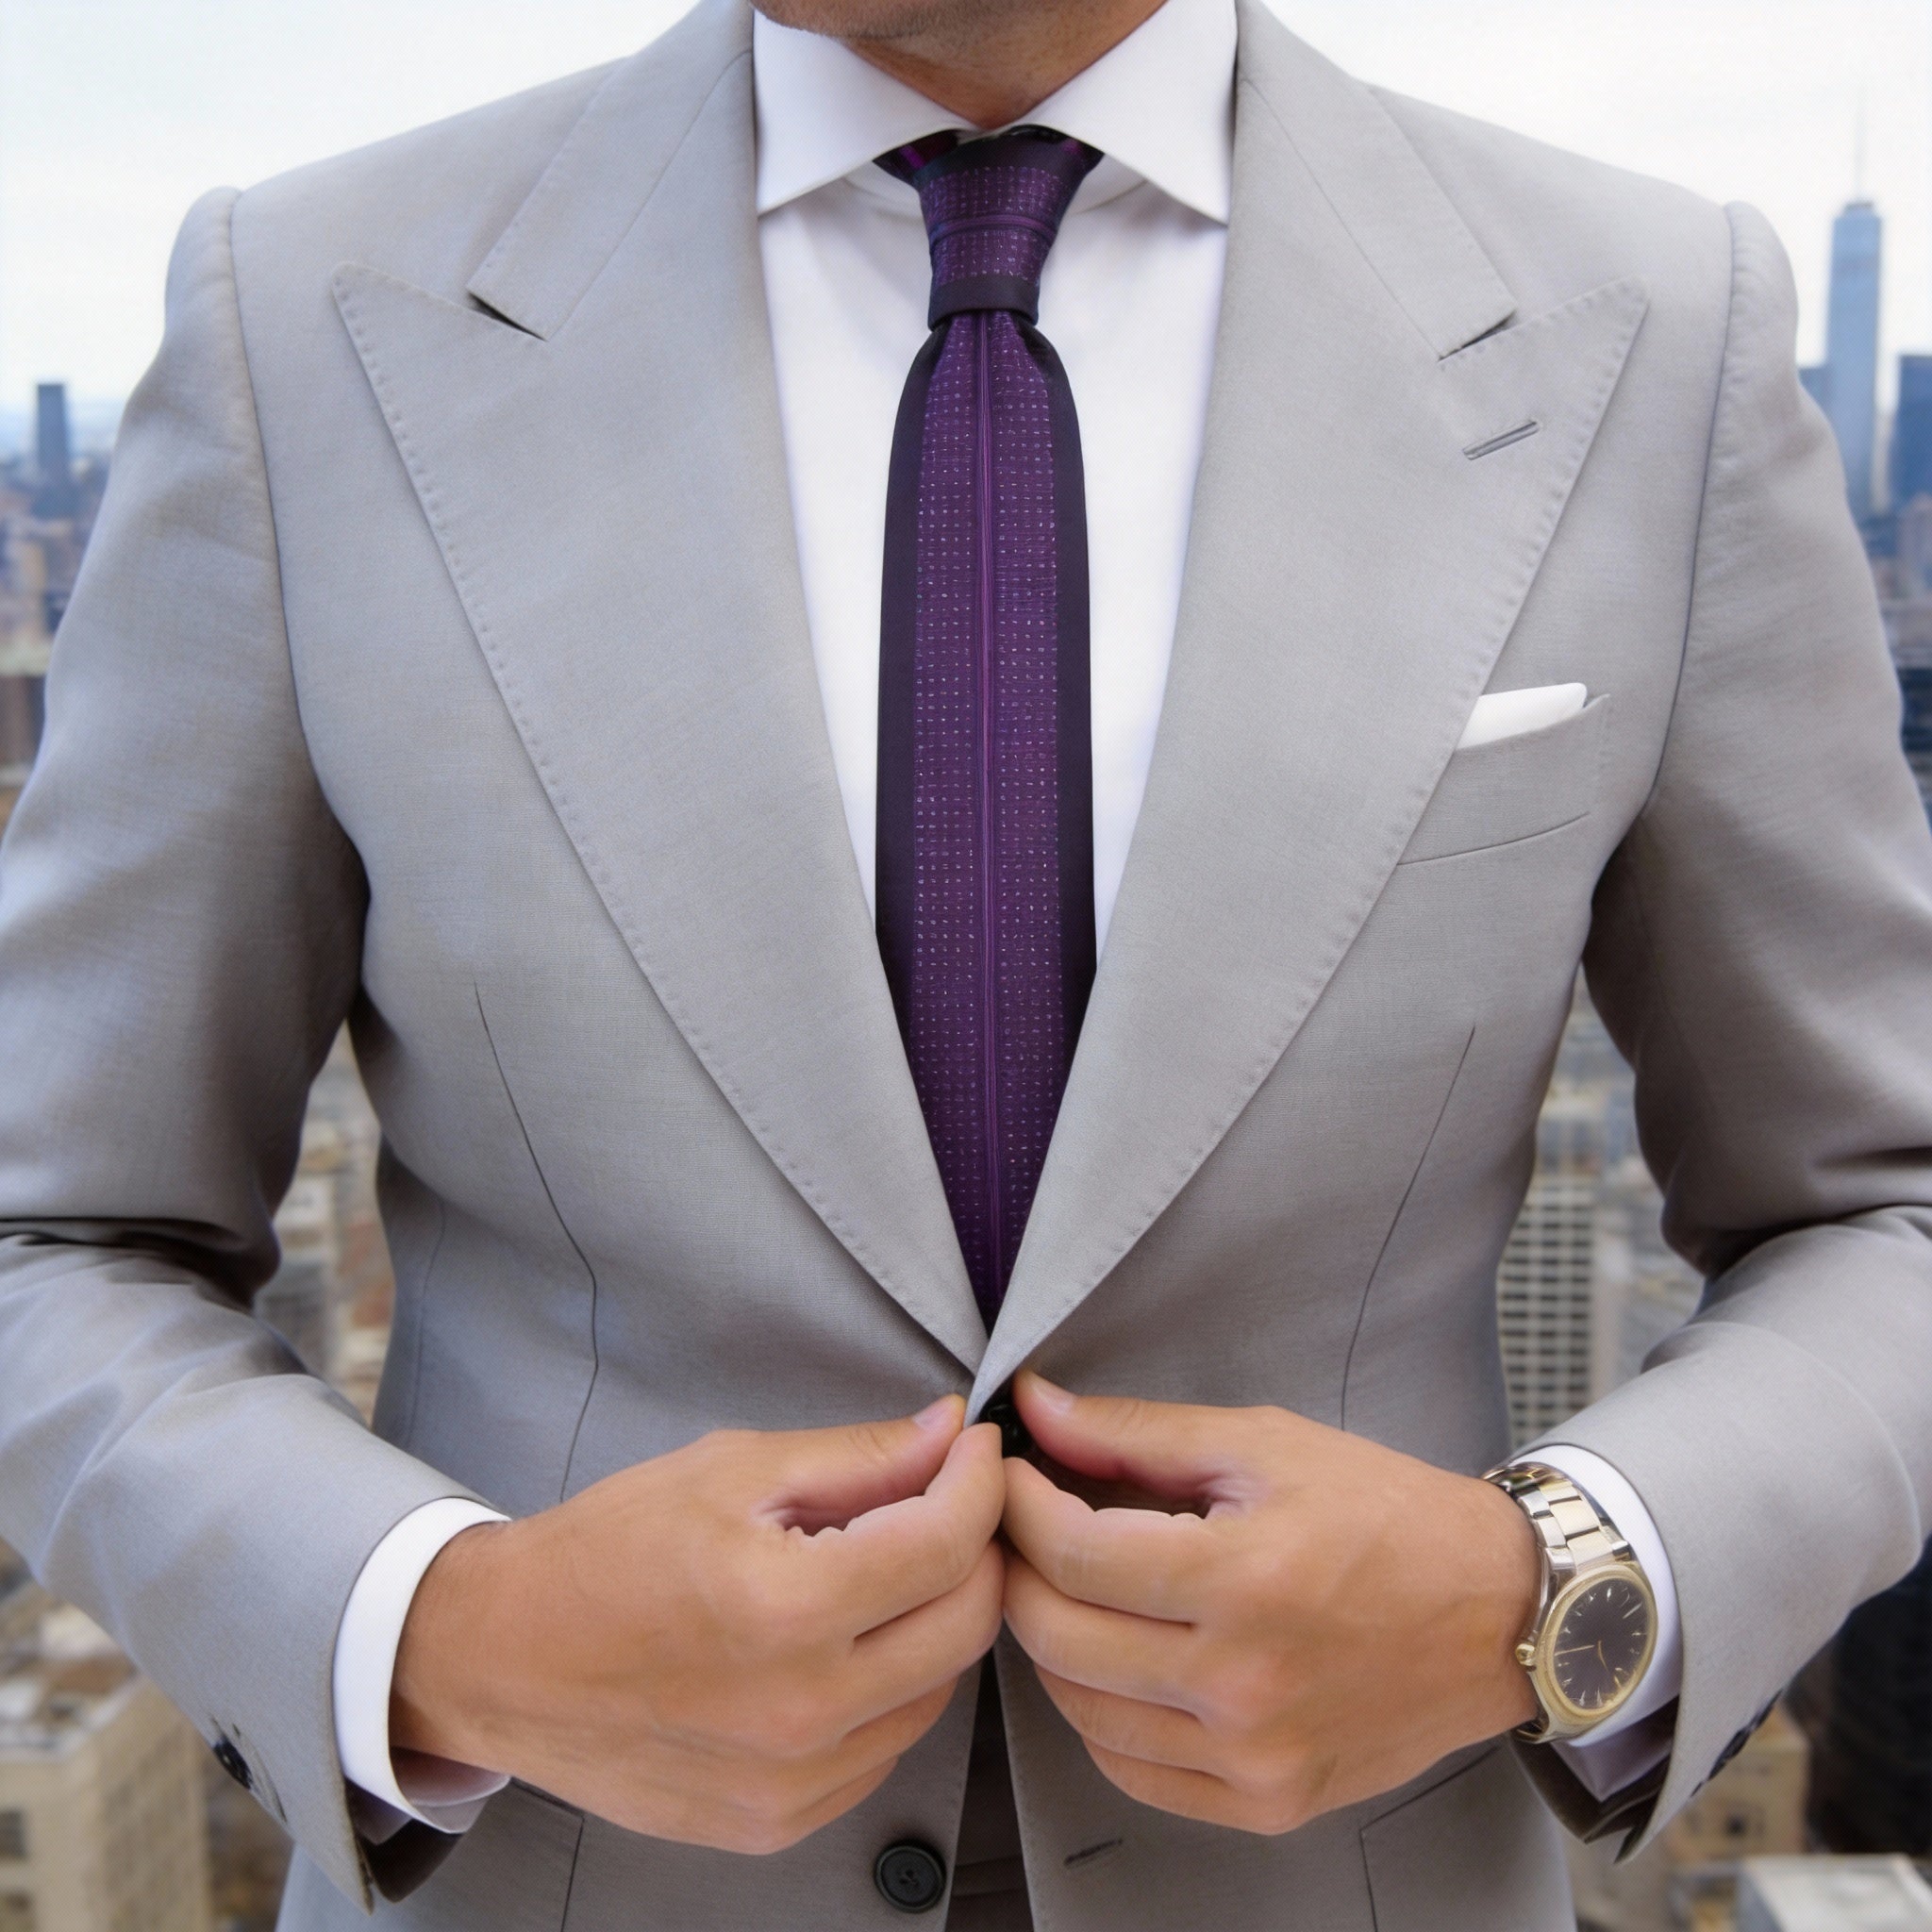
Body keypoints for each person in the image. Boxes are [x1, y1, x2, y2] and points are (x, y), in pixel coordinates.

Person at [1, 0, 1928, 1924]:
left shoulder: (1656, 330)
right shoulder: (307, 316)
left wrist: (1547, 1592)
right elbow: (57, 1233)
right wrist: (453, 1632)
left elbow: (1882, 1210)